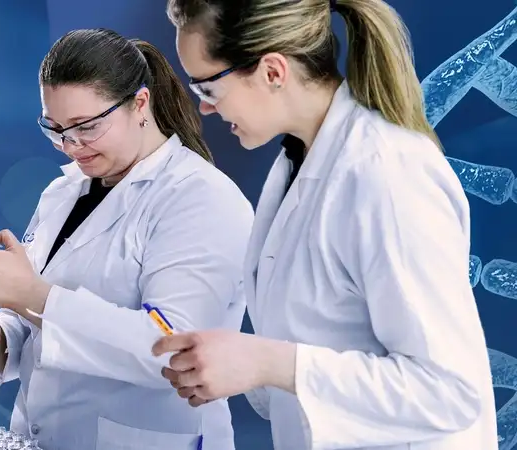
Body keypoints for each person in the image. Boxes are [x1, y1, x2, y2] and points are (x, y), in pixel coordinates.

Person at [153, 1, 498, 449]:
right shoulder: (297, 164)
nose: (206, 111)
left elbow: (449, 393)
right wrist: (230, 363)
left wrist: (267, 363)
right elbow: (314, 346)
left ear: (273, 71)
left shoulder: (386, 173)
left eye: (209, 89)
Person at [0, 28, 254, 450]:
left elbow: (173, 350)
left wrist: (30, 295)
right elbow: (37, 321)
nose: (70, 146)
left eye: (85, 127)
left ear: (140, 104)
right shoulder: (63, 192)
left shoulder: (201, 198)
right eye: (55, 129)